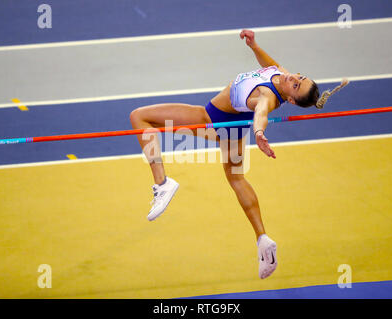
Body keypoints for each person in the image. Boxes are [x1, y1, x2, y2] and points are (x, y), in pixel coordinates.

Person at [130, 29, 348, 279]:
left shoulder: (268, 96)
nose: (294, 78)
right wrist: (254, 46)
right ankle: (263, 240)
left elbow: (262, 112)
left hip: (214, 121)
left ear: (292, 99)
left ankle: (163, 183)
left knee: (140, 116)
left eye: (296, 85)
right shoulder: (280, 76)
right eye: (300, 76)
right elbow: (271, 66)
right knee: (236, 179)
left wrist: (259, 133)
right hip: (233, 127)